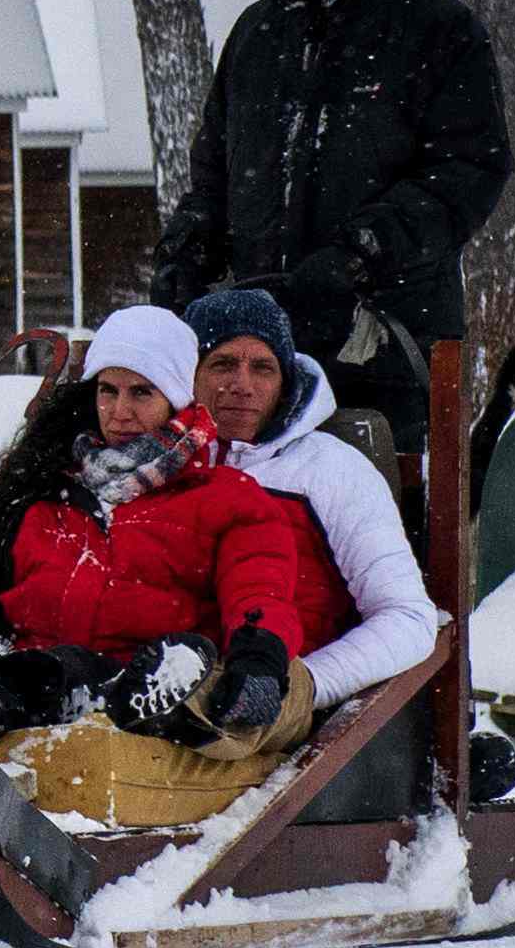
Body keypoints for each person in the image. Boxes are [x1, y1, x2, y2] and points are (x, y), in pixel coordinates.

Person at [155, 0, 509, 487]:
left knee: (375, 524)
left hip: (384, 341)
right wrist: (187, 256)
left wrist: (360, 253)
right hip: (258, 348)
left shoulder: (436, 31)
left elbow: (468, 172)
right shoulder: (257, 36)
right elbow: (214, 177)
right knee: (248, 522)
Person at [0, 304, 314, 756]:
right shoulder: (47, 493)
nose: (120, 412)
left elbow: (261, 590)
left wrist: (260, 661)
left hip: (138, 684)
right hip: (28, 671)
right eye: (107, 391)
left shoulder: (227, 498)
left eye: (141, 393)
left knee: (48, 673)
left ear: (177, 401)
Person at [179, 285, 443, 720]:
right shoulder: (152, 463)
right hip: (163, 691)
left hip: (280, 710)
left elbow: (407, 618)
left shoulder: (331, 468)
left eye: (263, 368)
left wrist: (303, 688)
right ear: (188, 374)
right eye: (222, 363)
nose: (242, 385)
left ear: (286, 381)